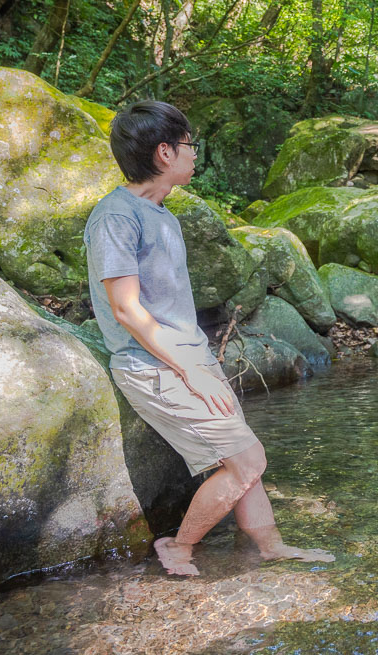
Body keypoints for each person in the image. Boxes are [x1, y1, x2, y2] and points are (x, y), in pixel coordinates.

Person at [83, 100, 333, 575]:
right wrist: (191, 369)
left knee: (245, 454)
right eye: (189, 146)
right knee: (247, 459)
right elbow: (126, 310)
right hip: (154, 365)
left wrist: (198, 361)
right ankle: (177, 547)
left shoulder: (164, 216)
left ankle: (270, 546)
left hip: (188, 358)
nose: (195, 155)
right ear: (164, 153)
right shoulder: (116, 218)